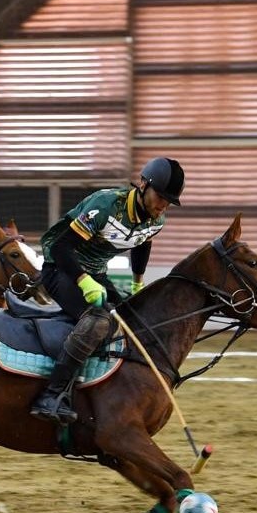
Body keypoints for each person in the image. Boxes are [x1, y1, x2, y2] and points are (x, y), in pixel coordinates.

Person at [30, 157, 185, 424]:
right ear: (143, 184)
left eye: (169, 201)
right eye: (161, 197)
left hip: (97, 274)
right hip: (61, 269)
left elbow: (142, 243)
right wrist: (83, 281)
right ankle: (51, 395)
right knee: (98, 320)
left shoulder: (157, 221)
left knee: (133, 315)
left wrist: (138, 283)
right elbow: (60, 248)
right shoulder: (105, 205)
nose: (164, 205)